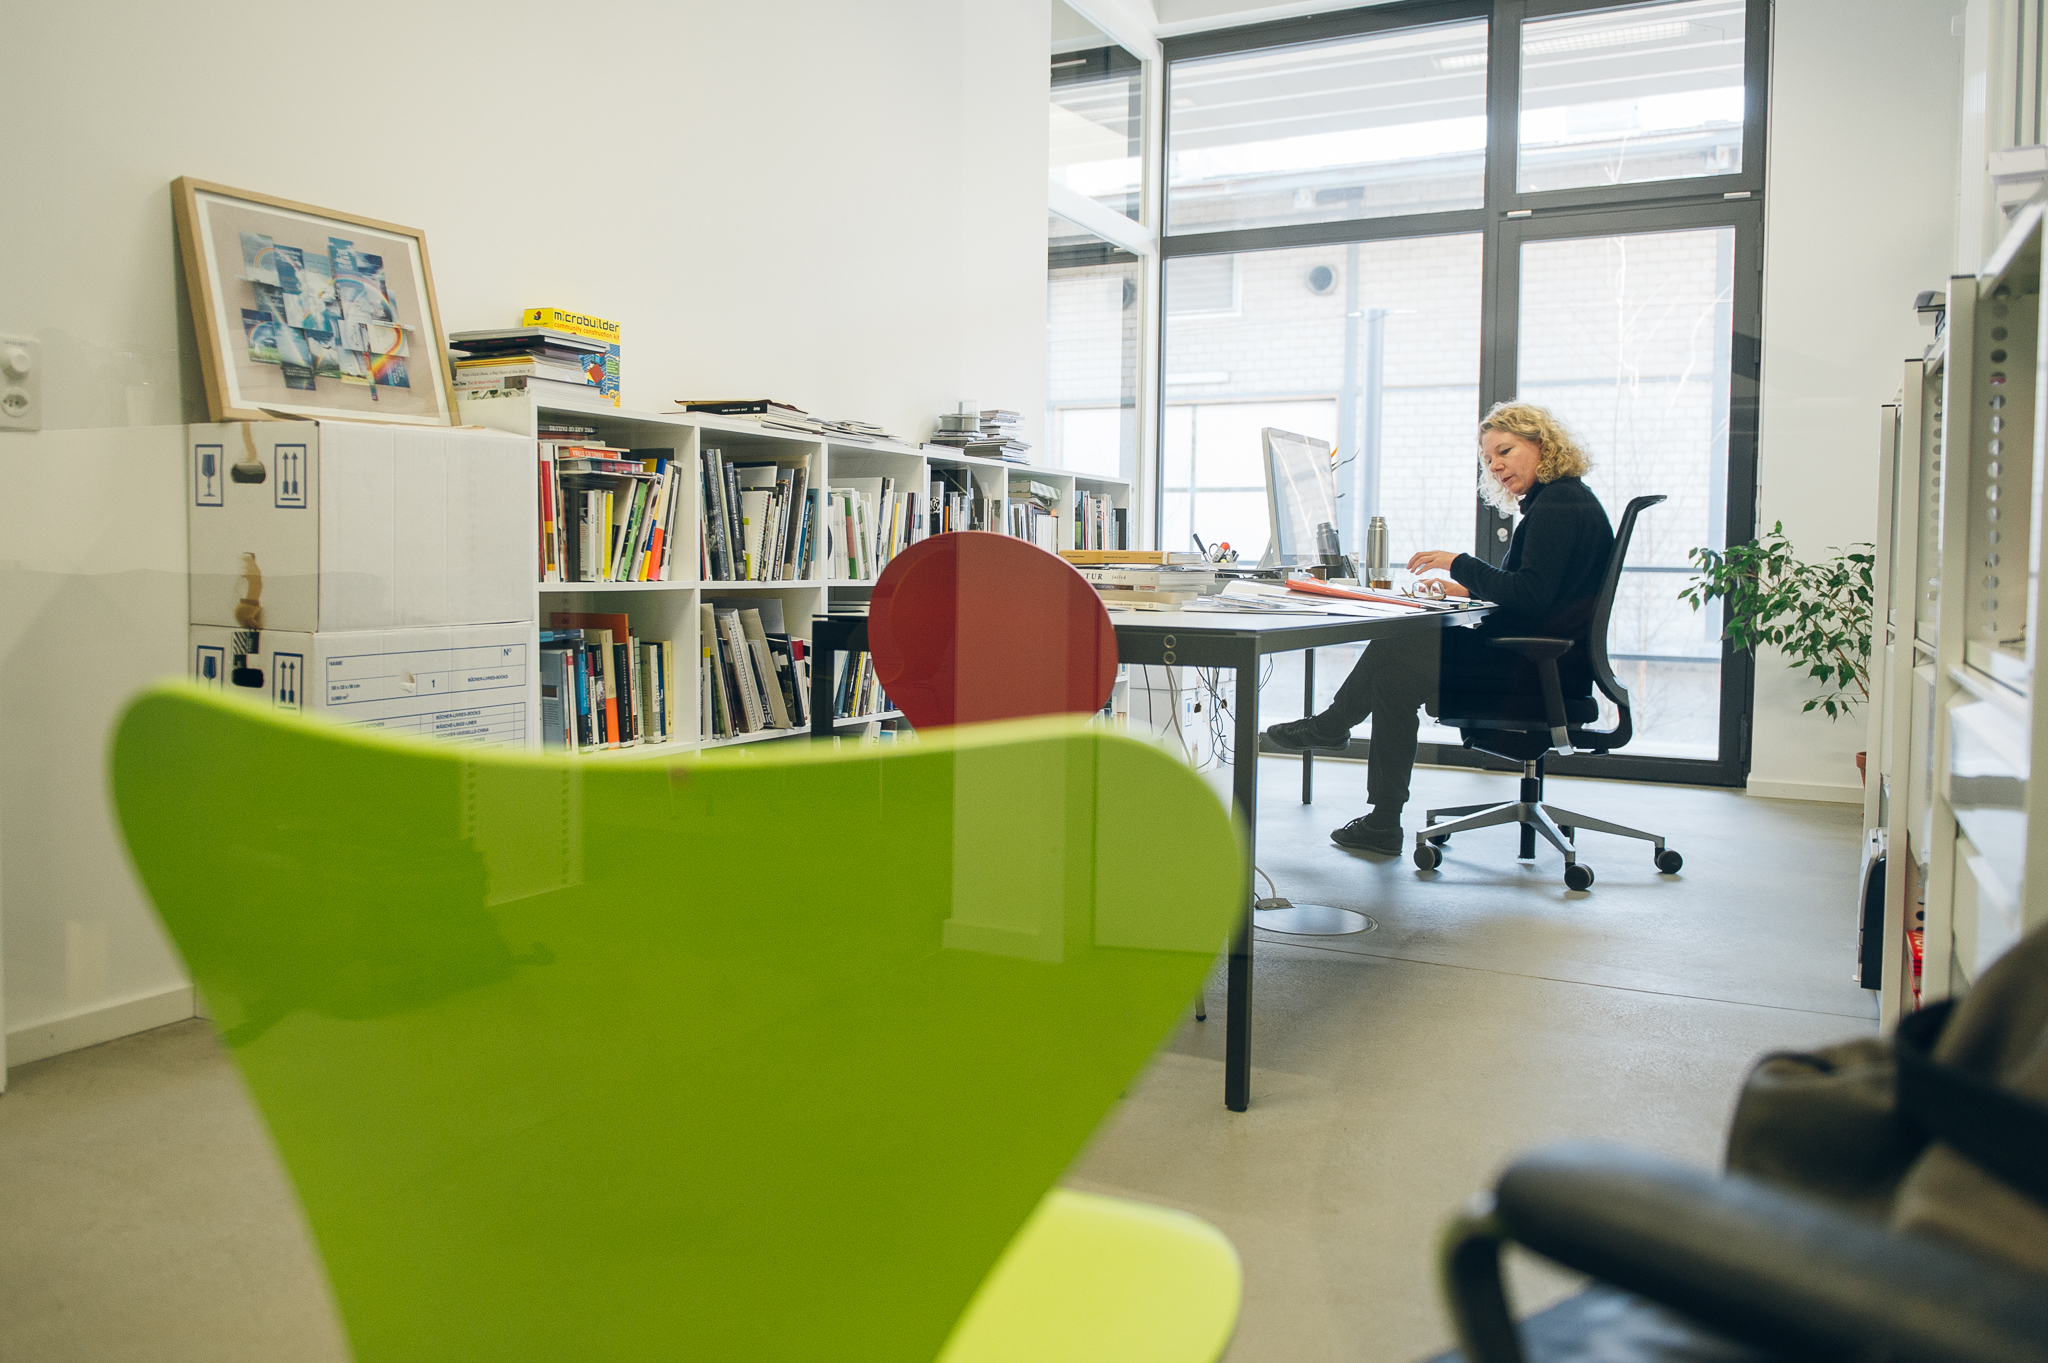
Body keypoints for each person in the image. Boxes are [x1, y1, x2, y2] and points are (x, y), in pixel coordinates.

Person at [1263, 402, 1614, 854]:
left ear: (1542, 444)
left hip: (1538, 672)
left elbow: (1531, 595)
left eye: (1505, 451)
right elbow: (1539, 592)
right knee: (1397, 671)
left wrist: (1459, 563)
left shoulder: (1559, 505)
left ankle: (1336, 733)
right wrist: (1465, 589)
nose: (1495, 466)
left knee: (1399, 643)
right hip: (1548, 665)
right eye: (1488, 459)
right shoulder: (1564, 500)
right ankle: (1379, 818)